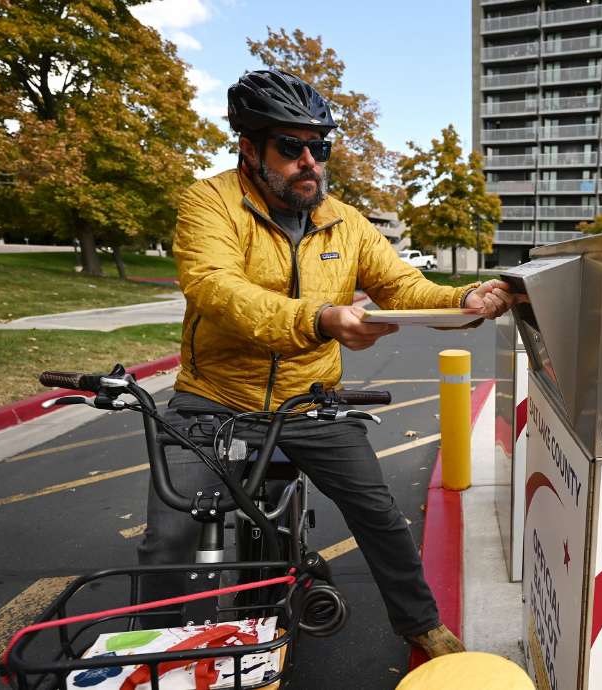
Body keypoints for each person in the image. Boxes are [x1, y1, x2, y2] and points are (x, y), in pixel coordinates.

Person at [136, 69, 516, 658]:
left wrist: (462, 299)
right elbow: (215, 288)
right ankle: (152, 652)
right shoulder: (209, 203)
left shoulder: (347, 220)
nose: (309, 161)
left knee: (378, 512)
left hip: (310, 398)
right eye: (291, 147)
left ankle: (420, 624)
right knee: (169, 538)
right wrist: (319, 319)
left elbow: (402, 286)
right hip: (211, 394)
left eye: (320, 147)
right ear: (249, 148)